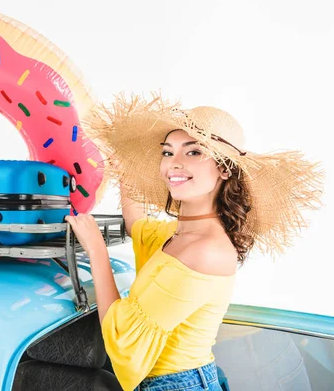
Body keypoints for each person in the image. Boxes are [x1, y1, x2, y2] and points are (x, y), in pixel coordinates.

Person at [65, 94, 324, 391]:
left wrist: (96, 250)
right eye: (167, 153)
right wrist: (124, 173)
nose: (173, 164)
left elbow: (123, 338)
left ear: (225, 168)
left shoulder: (206, 250)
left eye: (193, 152)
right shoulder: (180, 234)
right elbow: (139, 227)